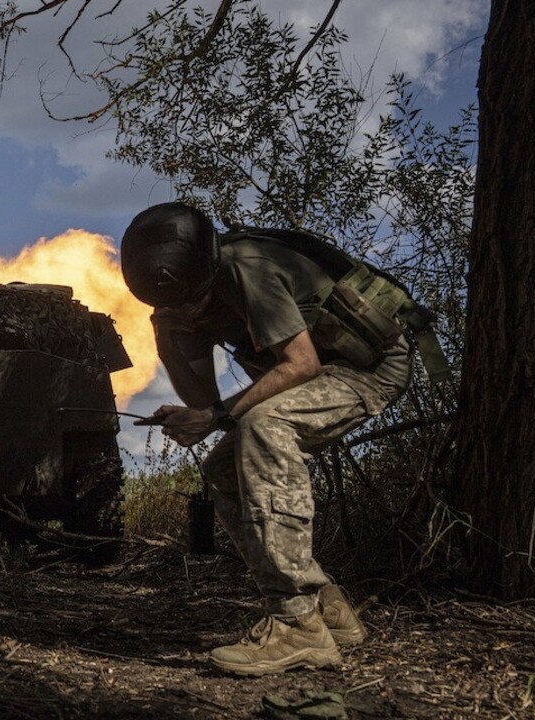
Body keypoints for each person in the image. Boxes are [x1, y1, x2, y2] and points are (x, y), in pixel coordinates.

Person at [120, 202, 412, 677]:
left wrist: (215, 416)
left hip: (367, 368)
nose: (183, 309)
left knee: (265, 426)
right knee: (220, 465)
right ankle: (327, 608)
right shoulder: (178, 304)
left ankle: (296, 623)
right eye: (169, 304)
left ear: (208, 271)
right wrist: (172, 337)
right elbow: (202, 401)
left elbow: (302, 366)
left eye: (188, 300)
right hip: (320, 370)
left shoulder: (247, 269)